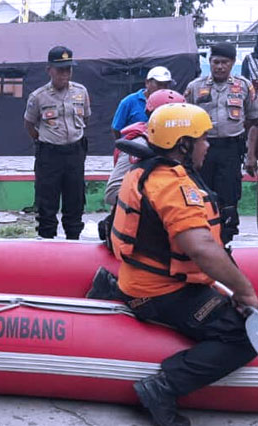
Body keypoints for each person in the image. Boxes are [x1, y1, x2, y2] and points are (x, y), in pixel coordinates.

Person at [109, 103, 258, 426]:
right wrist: (245, 293)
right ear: (183, 144)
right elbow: (201, 248)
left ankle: (107, 288)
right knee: (243, 336)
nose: (208, 145)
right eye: (203, 138)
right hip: (161, 292)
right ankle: (162, 387)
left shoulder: (144, 170)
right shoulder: (174, 186)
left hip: (146, 280)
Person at [183, 42, 258, 244]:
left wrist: (251, 156)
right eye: (216, 62)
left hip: (231, 149)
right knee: (201, 194)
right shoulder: (195, 87)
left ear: (232, 63)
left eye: (224, 62)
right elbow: (185, 120)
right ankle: (202, 240)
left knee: (229, 196)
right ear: (210, 62)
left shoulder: (244, 86)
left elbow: (253, 122)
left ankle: (225, 241)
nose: (220, 67)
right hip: (202, 149)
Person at [24, 46, 91, 240]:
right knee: (47, 203)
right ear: (49, 70)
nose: (65, 74)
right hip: (49, 154)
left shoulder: (81, 92)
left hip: (75, 152)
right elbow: (29, 123)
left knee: (75, 200)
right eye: (60, 69)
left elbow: (85, 118)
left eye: (68, 69)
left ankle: (74, 241)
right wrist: (44, 140)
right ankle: (46, 245)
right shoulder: (38, 96)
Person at [104, 89, 186, 206]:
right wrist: (159, 201)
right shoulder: (139, 145)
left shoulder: (177, 145)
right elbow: (112, 193)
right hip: (138, 219)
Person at [111, 66, 173, 139]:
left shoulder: (170, 103)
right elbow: (116, 129)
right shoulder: (129, 102)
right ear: (147, 83)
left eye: (166, 85)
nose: (163, 88)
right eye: (159, 84)